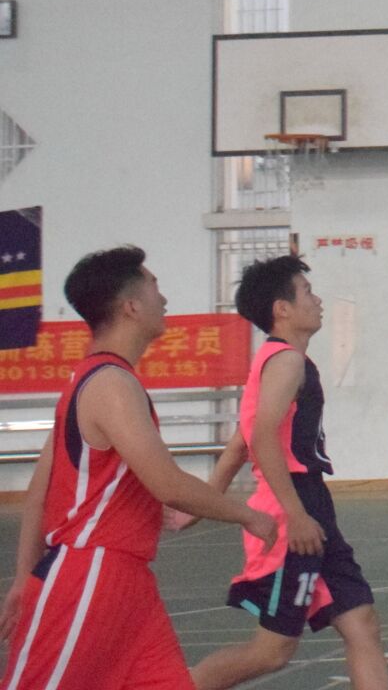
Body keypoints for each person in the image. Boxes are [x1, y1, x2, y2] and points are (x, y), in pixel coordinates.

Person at [0, 247, 278, 690]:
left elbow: (39, 492)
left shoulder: (91, 380)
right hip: (89, 574)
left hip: (129, 583)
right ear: (131, 306)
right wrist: (247, 514)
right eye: (154, 287)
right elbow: (168, 484)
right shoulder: (110, 384)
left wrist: (22, 577)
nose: (163, 299)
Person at [190, 254, 388, 689]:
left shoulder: (283, 361)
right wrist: (296, 514)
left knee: (362, 623)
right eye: (307, 292)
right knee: (272, 651)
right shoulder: (285, 362)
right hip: (290, 508)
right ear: (282, 309)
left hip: (312, 503)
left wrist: (204, 501)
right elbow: (261, 437)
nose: (317, 301)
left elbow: (241, 440)